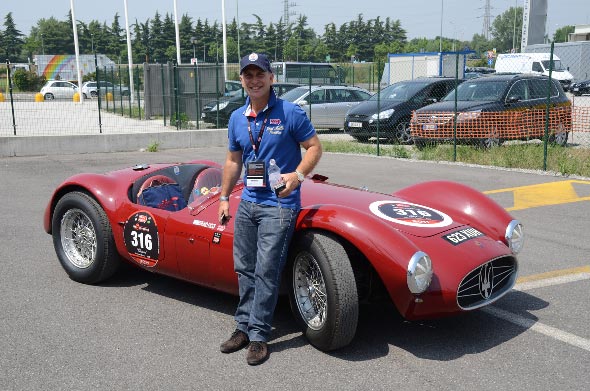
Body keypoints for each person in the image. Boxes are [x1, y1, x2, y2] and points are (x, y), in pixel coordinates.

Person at [217, 52, 322, 365]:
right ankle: (243, 327)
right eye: (248, 75)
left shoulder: (290, 113)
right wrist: (224, 197)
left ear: (271, 78)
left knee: (267, 270)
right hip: (248, 202)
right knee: (244, 268)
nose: (254, 80)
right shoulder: (237, 118)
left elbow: (315, 147)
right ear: (241, 80)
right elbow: (233, 161)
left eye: (260, 74)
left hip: (280, 204)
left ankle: (260, 335)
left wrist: (299, 175)